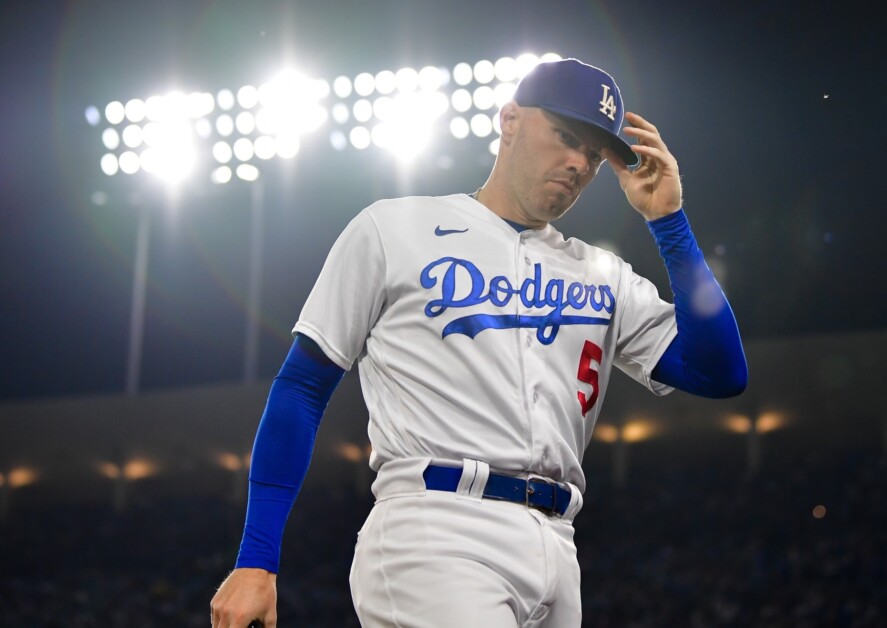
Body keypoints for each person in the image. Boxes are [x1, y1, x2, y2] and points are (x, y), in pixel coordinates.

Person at [210, 58, 747, 627]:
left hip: (558, 545)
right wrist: (256, 560)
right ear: (509, 120)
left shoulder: (602, 273)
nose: (578, 164)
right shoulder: (394, 228)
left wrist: (669, 221)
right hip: (437, 528)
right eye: (566, 137)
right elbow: (301, 387)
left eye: (594, 154)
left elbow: (719, 374)